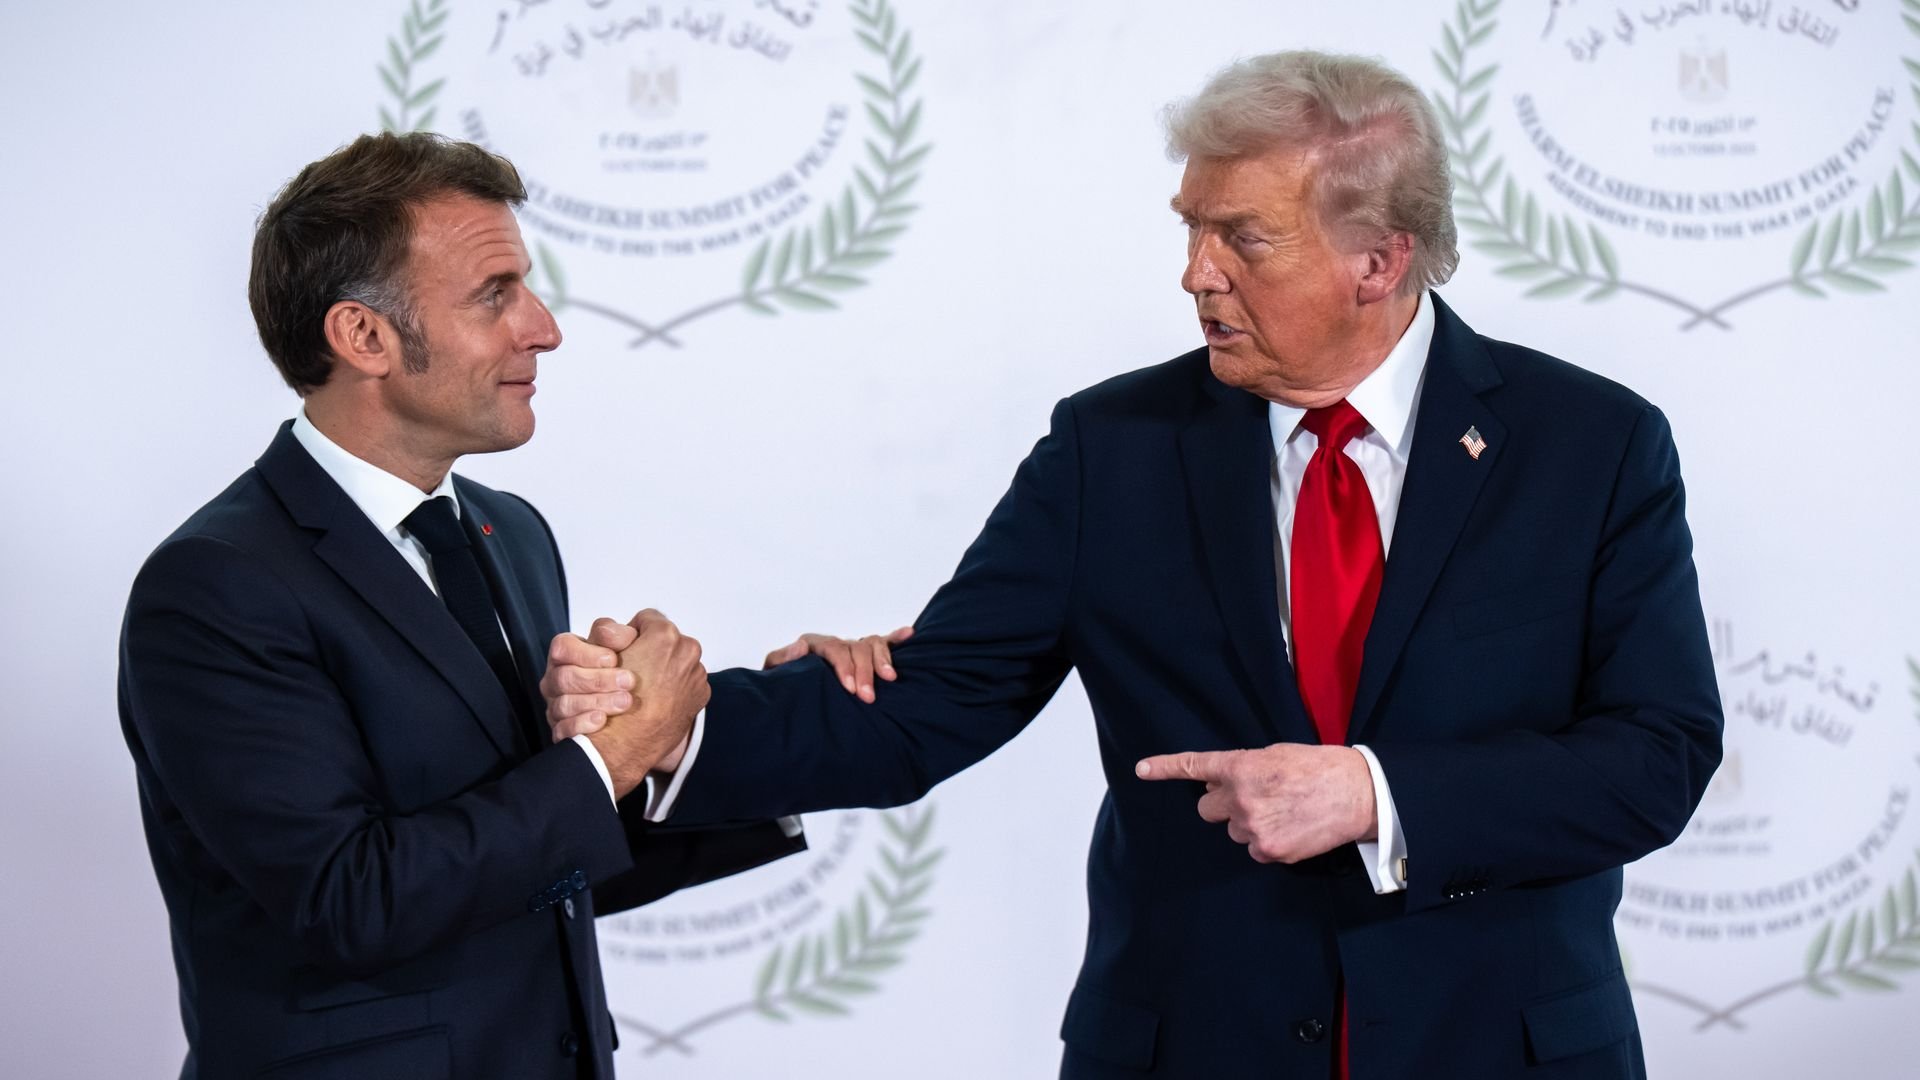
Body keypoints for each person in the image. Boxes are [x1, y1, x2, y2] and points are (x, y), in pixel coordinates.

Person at [549, 50, 1723, 1078]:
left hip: (1495, 1048)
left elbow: (1654, 754)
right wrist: (665, 725)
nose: (1196, 274)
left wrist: (1376, 794)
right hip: (1191, 1044)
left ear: (1379, 260)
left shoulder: (1594, 445)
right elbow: (936, 699)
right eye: (1191, 228)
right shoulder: (1110, 448)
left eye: (1243, 239)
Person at [116, 132, 813, 1080]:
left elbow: (536, 865)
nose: (544, 327)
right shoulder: (213, 586)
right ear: (363, 336)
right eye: (496, 295)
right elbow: (351, 902)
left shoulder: (510, 530)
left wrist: (794, 729)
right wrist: (611, 754)